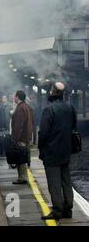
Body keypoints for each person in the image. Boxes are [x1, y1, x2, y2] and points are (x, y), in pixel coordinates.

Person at [38, 82, 77, 220]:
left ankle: (57, 210)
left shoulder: (49, 110)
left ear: (52, 92)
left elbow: (43, 133)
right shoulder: (70, 108)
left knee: (54, 183)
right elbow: (73, 127)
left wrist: (41, 148)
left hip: (51, 151)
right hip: (66, 150)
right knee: (66, 180)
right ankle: (68, 209)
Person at [11, 90, 34, 184]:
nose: (13, 98)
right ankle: (22, 177)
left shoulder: (20, 108)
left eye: (14, 96)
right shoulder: (27, 107)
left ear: (17, 97)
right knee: (22, 157)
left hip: (21, 137)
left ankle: (22, 177)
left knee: (20, 158)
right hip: (26, 136)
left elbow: (19, 125)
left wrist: (15, 138)